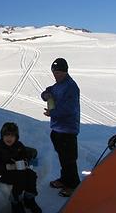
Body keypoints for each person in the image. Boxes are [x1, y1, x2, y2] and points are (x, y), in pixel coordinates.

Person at [41, 58, 80, 197]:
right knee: (63, 157)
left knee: (69, 159)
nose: (56, 75)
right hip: (57, 128)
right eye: (54, 72)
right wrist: (45, 94)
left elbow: (70, 109)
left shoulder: (71, 87)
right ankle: (65, 180)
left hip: (68, 129)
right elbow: (48, 91)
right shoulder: (58, 85)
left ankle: (73, 185)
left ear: (65, 71)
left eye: (59, 72)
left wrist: (53, 113)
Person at [0, 122, 42, 213]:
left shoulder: (18, 145)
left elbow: (25, 155)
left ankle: (29, 199)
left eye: (12, 135)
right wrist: (7, 166)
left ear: (16, 137)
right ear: (2, 136)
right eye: (6, 135)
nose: (9, 138)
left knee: (31, 175)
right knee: (20, 178)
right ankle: (15, 202)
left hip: (17, 169)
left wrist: (24, 162)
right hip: (1, 174)